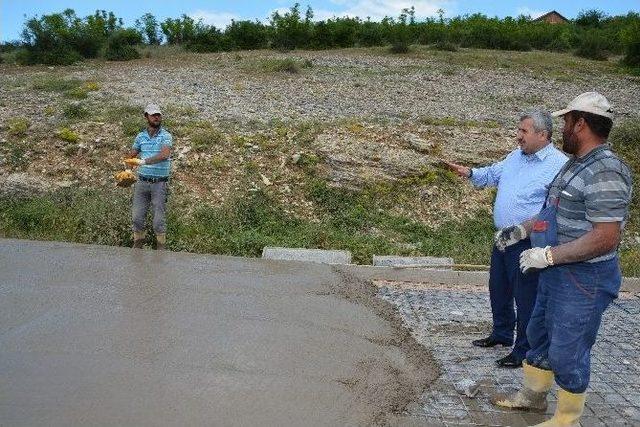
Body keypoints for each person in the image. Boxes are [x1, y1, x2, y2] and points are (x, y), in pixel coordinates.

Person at [491, 92, 632, 426]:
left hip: (584, 280)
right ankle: (532, 397)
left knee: (568, 349)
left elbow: (605, 237)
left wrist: (549, 255)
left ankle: (568, 418)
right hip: (556, 274)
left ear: (580, 123)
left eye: (566, 122)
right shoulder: (575, 165)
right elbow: (550, 213)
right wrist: (523, 231)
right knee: (538, 334)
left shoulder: (606, 171)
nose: (562, 128)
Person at [445, 109, 567, 368]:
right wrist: (469, 173)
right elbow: (492, 174)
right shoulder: (516, 157)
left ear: (543, 135)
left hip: (527, 241)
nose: (518, 136)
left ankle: (523, 349)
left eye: (524, 131)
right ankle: (501, 334)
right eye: (519, 130)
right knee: (498, 288)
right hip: (503, 238)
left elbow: (554, 209)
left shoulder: (558, 164)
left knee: (526, 298)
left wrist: (525, 231)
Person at [124, 104, 173, 250]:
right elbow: (131, 156)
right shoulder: (140, 136)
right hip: (142, 182)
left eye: (158, 114)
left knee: (158, 220)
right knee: (137, 218)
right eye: (153, 115)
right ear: (146, 117)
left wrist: (144, 161)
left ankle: (161, 249)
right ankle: (138, 246)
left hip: (159, 184)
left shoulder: (166, 136)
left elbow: (165, 155)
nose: (157, 117)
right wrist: (127, 171)